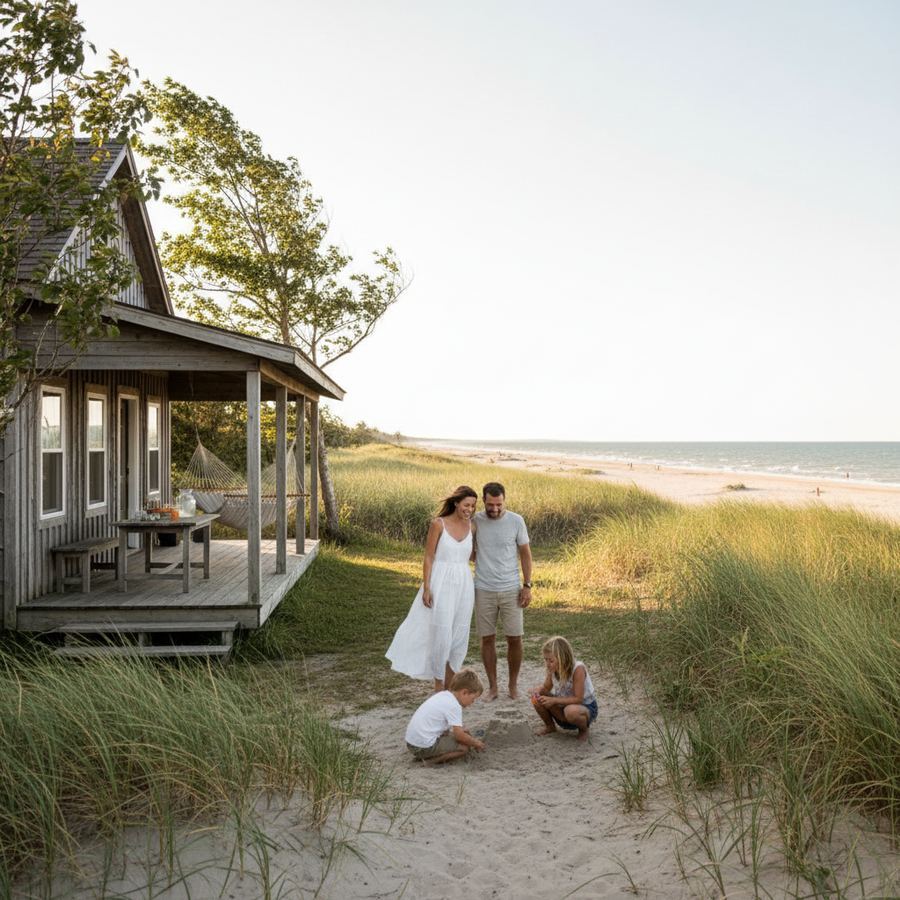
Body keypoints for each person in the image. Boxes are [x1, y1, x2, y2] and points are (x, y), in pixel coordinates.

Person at [386, 485, 477, 692]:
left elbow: (474, 555)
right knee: (441, 632)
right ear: (456, 503)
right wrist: (427, 587)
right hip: (441, 580)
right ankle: (439, 684)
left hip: (464, 582)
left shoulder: (472, 527)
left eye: (472, 506)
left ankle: (451, 683)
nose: (469, 509)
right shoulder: (438, 524)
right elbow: (429, 556)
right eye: (466, 505)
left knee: (459, 632)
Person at [473, 482, 533, 700]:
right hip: (483, 589)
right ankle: (493, 687)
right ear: (483, 501)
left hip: (511, 588)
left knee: (515, 638)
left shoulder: (517, 521)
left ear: (504, 500)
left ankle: (513, 686)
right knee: (486, 639)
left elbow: (525, 553)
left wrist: (527, 585)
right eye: (490, 504)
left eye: (499, 504)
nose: (495, 509)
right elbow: (467, 549)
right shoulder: (475, 521)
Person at [405, 668, 486, 764]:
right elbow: (459, 735)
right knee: (464, 748)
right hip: (422, 747)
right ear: (464, 692)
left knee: (465, 734)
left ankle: (429, 754)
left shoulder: (444, 695)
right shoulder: (454, 706)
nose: (472, 703)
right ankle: (431, 761)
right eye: (473, 699)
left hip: (411, 743)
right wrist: (477, 743)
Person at [531, 636, 599, 742]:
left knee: (570, 711)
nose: (547, 664)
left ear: (562, 659)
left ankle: (583, 729)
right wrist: (537, 691)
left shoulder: (577, 669)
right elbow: (546, 687)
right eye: (545, 660)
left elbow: (578, 699)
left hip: (584, 708)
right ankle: (550, 726)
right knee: (538, 697)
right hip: (562, 709)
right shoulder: (552, 669)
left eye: (551, 660)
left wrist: (554, 700)